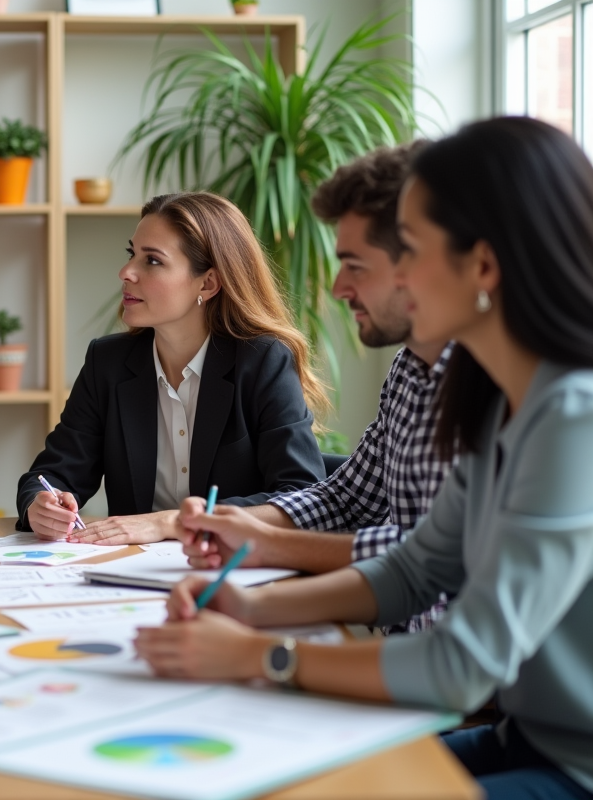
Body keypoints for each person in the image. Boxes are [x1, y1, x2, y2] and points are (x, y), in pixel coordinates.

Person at [136, 117, 593, 800]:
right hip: (531, 737)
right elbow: (417, 568)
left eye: (410, 250)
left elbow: (461, 664)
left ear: (483, 266)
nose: (396, 277)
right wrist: (250, 609)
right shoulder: (499, 399)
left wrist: (261, 654)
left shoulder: (573, 416)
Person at [182, 142, 452, 633]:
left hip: (443, 668)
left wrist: (270, 548)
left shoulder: (508, 387)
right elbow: (347, 499)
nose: (338, 287)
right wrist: (245, 528)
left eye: (356, 265)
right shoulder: (410, 369)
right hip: (402, 652)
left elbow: (435, 558)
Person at [16, 192, 327, 542]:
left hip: (229, 566)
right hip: (129, 567)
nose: (126, 272)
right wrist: (41, 504)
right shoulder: (108, 362)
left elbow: (303, 497)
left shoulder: (263, 361)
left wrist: (172, 522)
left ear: (207, 283)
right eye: (132, 254)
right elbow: (53, 472)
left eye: (152, 260)